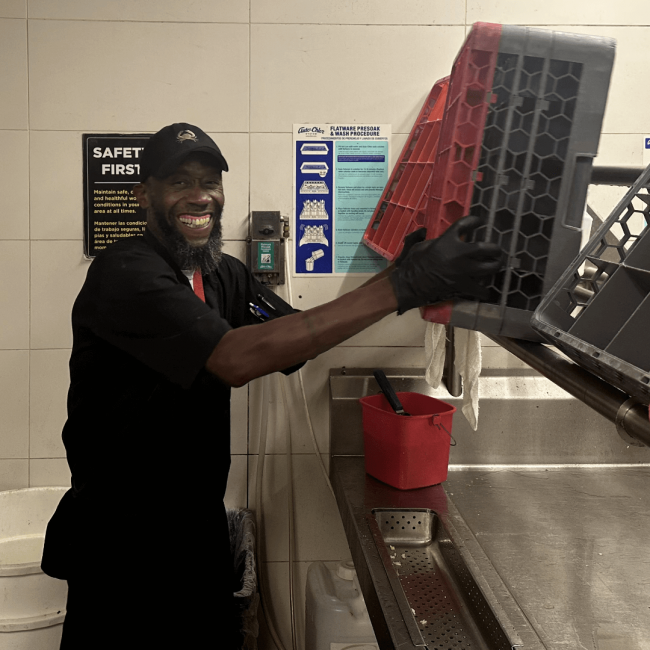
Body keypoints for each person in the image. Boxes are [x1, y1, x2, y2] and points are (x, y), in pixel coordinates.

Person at [41, 123, 503, 649]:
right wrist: (404, 287)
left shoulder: (222, 275)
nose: (200, 197)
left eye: (210, 182)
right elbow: (234, 359)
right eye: (180, 182)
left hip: (194, 533)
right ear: (144, 195)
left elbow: (293, 337)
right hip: (121, 545)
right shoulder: (125, 272)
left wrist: (401, 270)